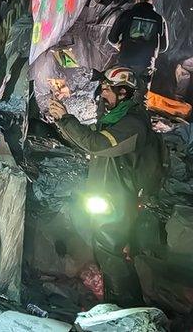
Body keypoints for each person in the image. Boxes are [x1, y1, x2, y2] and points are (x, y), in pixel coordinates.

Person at [48, 67, 166, 306]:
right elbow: (92, 140)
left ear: (123, 92)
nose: (101, 93)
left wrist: (66, 119)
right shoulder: (116, 117)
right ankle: (118, 302)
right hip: (110, 193)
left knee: (110, 251)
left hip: (121, 197)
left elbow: (98, 144)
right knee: (107, 250)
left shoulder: (132, 125)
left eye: (106, 89)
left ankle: (125, 305)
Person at [107, 0, 168, 91]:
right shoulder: (159, 19)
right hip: (146, 64)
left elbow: (112, 38)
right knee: (140, 97)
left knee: (122, 91)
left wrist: (119, 45)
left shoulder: (127, 14)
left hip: (126, 59)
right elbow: (163, 47)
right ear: (151, 1)